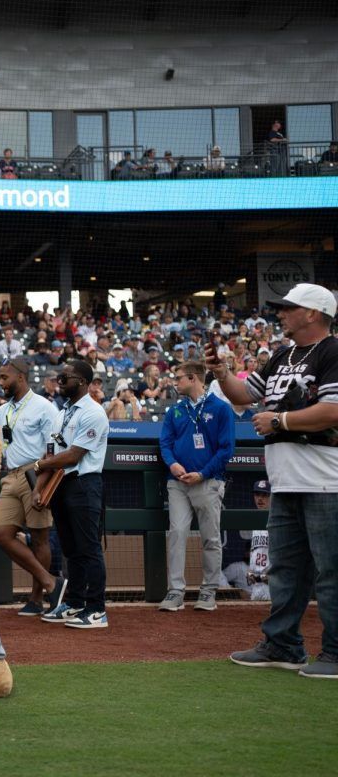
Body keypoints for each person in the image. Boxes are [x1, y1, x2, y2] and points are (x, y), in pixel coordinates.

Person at [210, 283, 338, 677]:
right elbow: (243, 396)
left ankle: (334, 653)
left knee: (331, 571)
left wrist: (280, 420)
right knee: (285, 569)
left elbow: (333, 411)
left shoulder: (333, 351)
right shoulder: (282, 355)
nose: (280, 313)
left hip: (326, 481)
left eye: (289, 308)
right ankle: (282, 645)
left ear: (313, 313)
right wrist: (222, 372)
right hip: (285, 481)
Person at [35, 359, 111, 629]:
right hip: (61, 485)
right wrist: (38, 488)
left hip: (85, 483)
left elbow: (74, 455)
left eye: (65, 377)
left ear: (81, 381)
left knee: (89, 548)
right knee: (70, 548)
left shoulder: (94, 412)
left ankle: (96, 609)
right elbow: (51, 452)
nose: (59, 381)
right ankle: (76, 603)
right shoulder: (62, 412)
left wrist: (41, 465)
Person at [157, 360, 236, 612]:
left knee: (211, 538)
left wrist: (202, 473)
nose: (174, 381)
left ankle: (208, 591)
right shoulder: (175, 411)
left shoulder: (221, 409)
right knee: (177, 534)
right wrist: (172, 464)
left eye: (178, 377)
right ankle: (176, 592)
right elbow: (165, 444)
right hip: (178, 482)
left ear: (193, 378)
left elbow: (227, 449)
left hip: (209, 481)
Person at [0, 359, 65, 617]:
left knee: (40, 537)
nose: (1, 383)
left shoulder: (45, 407)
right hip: (9, 475)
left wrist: (41, 485)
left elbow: (52, 449)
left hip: (37, 473)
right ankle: (51, 582)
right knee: (1, 533)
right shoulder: (1, 412)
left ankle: (36, 599)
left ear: (20, 377)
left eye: (4, 378)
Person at [222, 479, 272, 601]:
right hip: (256, 587)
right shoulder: (255, 522)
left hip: (273, 588)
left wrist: (271, 576)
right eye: (257, 494)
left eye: (265, 495)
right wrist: (251, 571)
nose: (260, 499)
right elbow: (256, 553)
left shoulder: (278, 521)